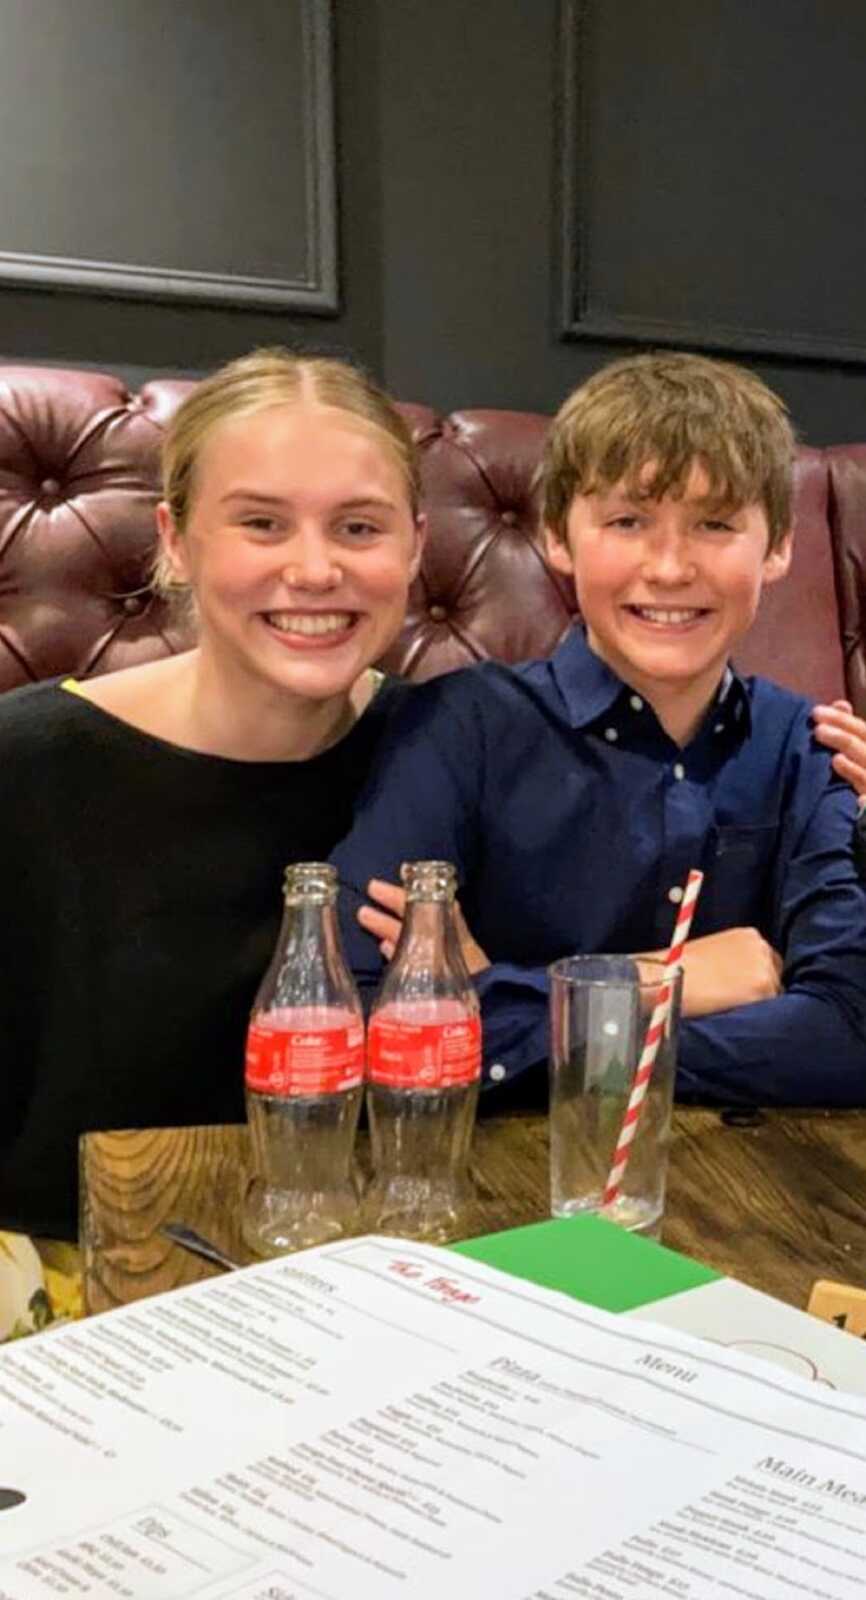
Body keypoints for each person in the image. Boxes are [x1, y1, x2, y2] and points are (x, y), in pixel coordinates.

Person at [333, 352, 866, 1108]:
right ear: (559, 537)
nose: (672, 566)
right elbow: (358, 1022)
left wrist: (500, 1000)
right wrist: (659, 981)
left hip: (745, 1197)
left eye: (715, 524)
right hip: (495, 1197)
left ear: (777, 547)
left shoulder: (811, 748)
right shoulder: (458, 725)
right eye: (628, 521)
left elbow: (847, 1038)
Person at [0, 347, 424, 1248]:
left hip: (379, 1272)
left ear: (416, 545)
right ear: (177, 540)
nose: (314, 571)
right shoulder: (24, 766)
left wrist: (810, 769)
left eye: (359, 528)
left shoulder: (460, 750)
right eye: (262, 524)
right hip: (70, 1289)